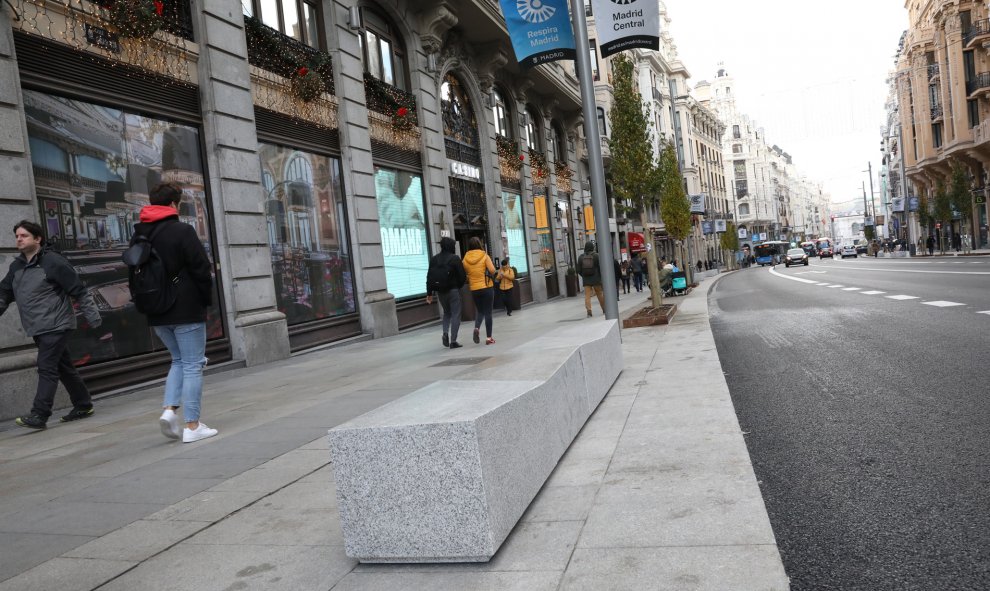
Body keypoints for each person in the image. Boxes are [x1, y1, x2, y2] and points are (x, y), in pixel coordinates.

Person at [133, 182, 217, 443]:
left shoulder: (139, 234)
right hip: (185, 307)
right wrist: (206, 300)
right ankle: (192, 426)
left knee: (178, 361)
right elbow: (201, 269)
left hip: (156, 309)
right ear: (173, 204)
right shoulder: (182, 230)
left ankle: (170, 411)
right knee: (192, 365)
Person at [1, 220, 102, 429]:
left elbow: (79, 291)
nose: (19, 239)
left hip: (57, 324)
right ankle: (83, 405)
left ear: (37, 239)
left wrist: (93, 317)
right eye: (17, 236)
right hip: (37, 326)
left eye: (24, 236)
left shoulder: (53, 262)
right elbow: (4, 293)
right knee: (63, 367)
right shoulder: (17, 266)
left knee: (46, 367)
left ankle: (40, 414)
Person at [425, 236, 467, 348]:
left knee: (447, 313)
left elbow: (429, 277)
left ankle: (445, 333)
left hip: (440, 292)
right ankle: (453, 341)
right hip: (453, 291)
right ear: (451, 246)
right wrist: (457, 286)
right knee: (456, 314)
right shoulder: (455, 258)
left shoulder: (434, 259)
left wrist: (429, 294)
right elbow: (462, 276)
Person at [462, 237, 497, 345]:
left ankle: (477, 328)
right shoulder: (484, 256)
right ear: (479, 244)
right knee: (488, 312)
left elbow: (465, 275)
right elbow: (492, 270)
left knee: (480, 311)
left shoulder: (465, 259)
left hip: (474, 288)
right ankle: (488, 338)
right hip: (486, 287)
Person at [578, 241, 605, 318]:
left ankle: (589, 312)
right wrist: (600, 276)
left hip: (586, 280)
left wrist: (584, 275)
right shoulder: (596, 256)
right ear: (592, 247)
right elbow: (601, 267)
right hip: (596, 279)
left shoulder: (581, 257)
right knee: (599, 294)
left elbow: (578, 270)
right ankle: (604, 309)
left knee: (587, 296)